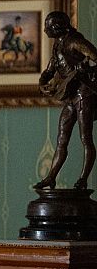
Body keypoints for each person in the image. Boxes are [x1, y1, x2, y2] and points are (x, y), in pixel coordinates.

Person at [34, 11, 97, 189]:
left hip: (84, 94)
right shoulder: (57, 45)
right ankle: (51, 177)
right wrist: (42, 83)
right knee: (62, 139)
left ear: (57, 27)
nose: (45, 30)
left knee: (86, 138)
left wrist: (84, 70)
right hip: (69, 96)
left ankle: (83, 179)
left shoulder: (75, 41)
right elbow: (49, 71)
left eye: (48, 26)